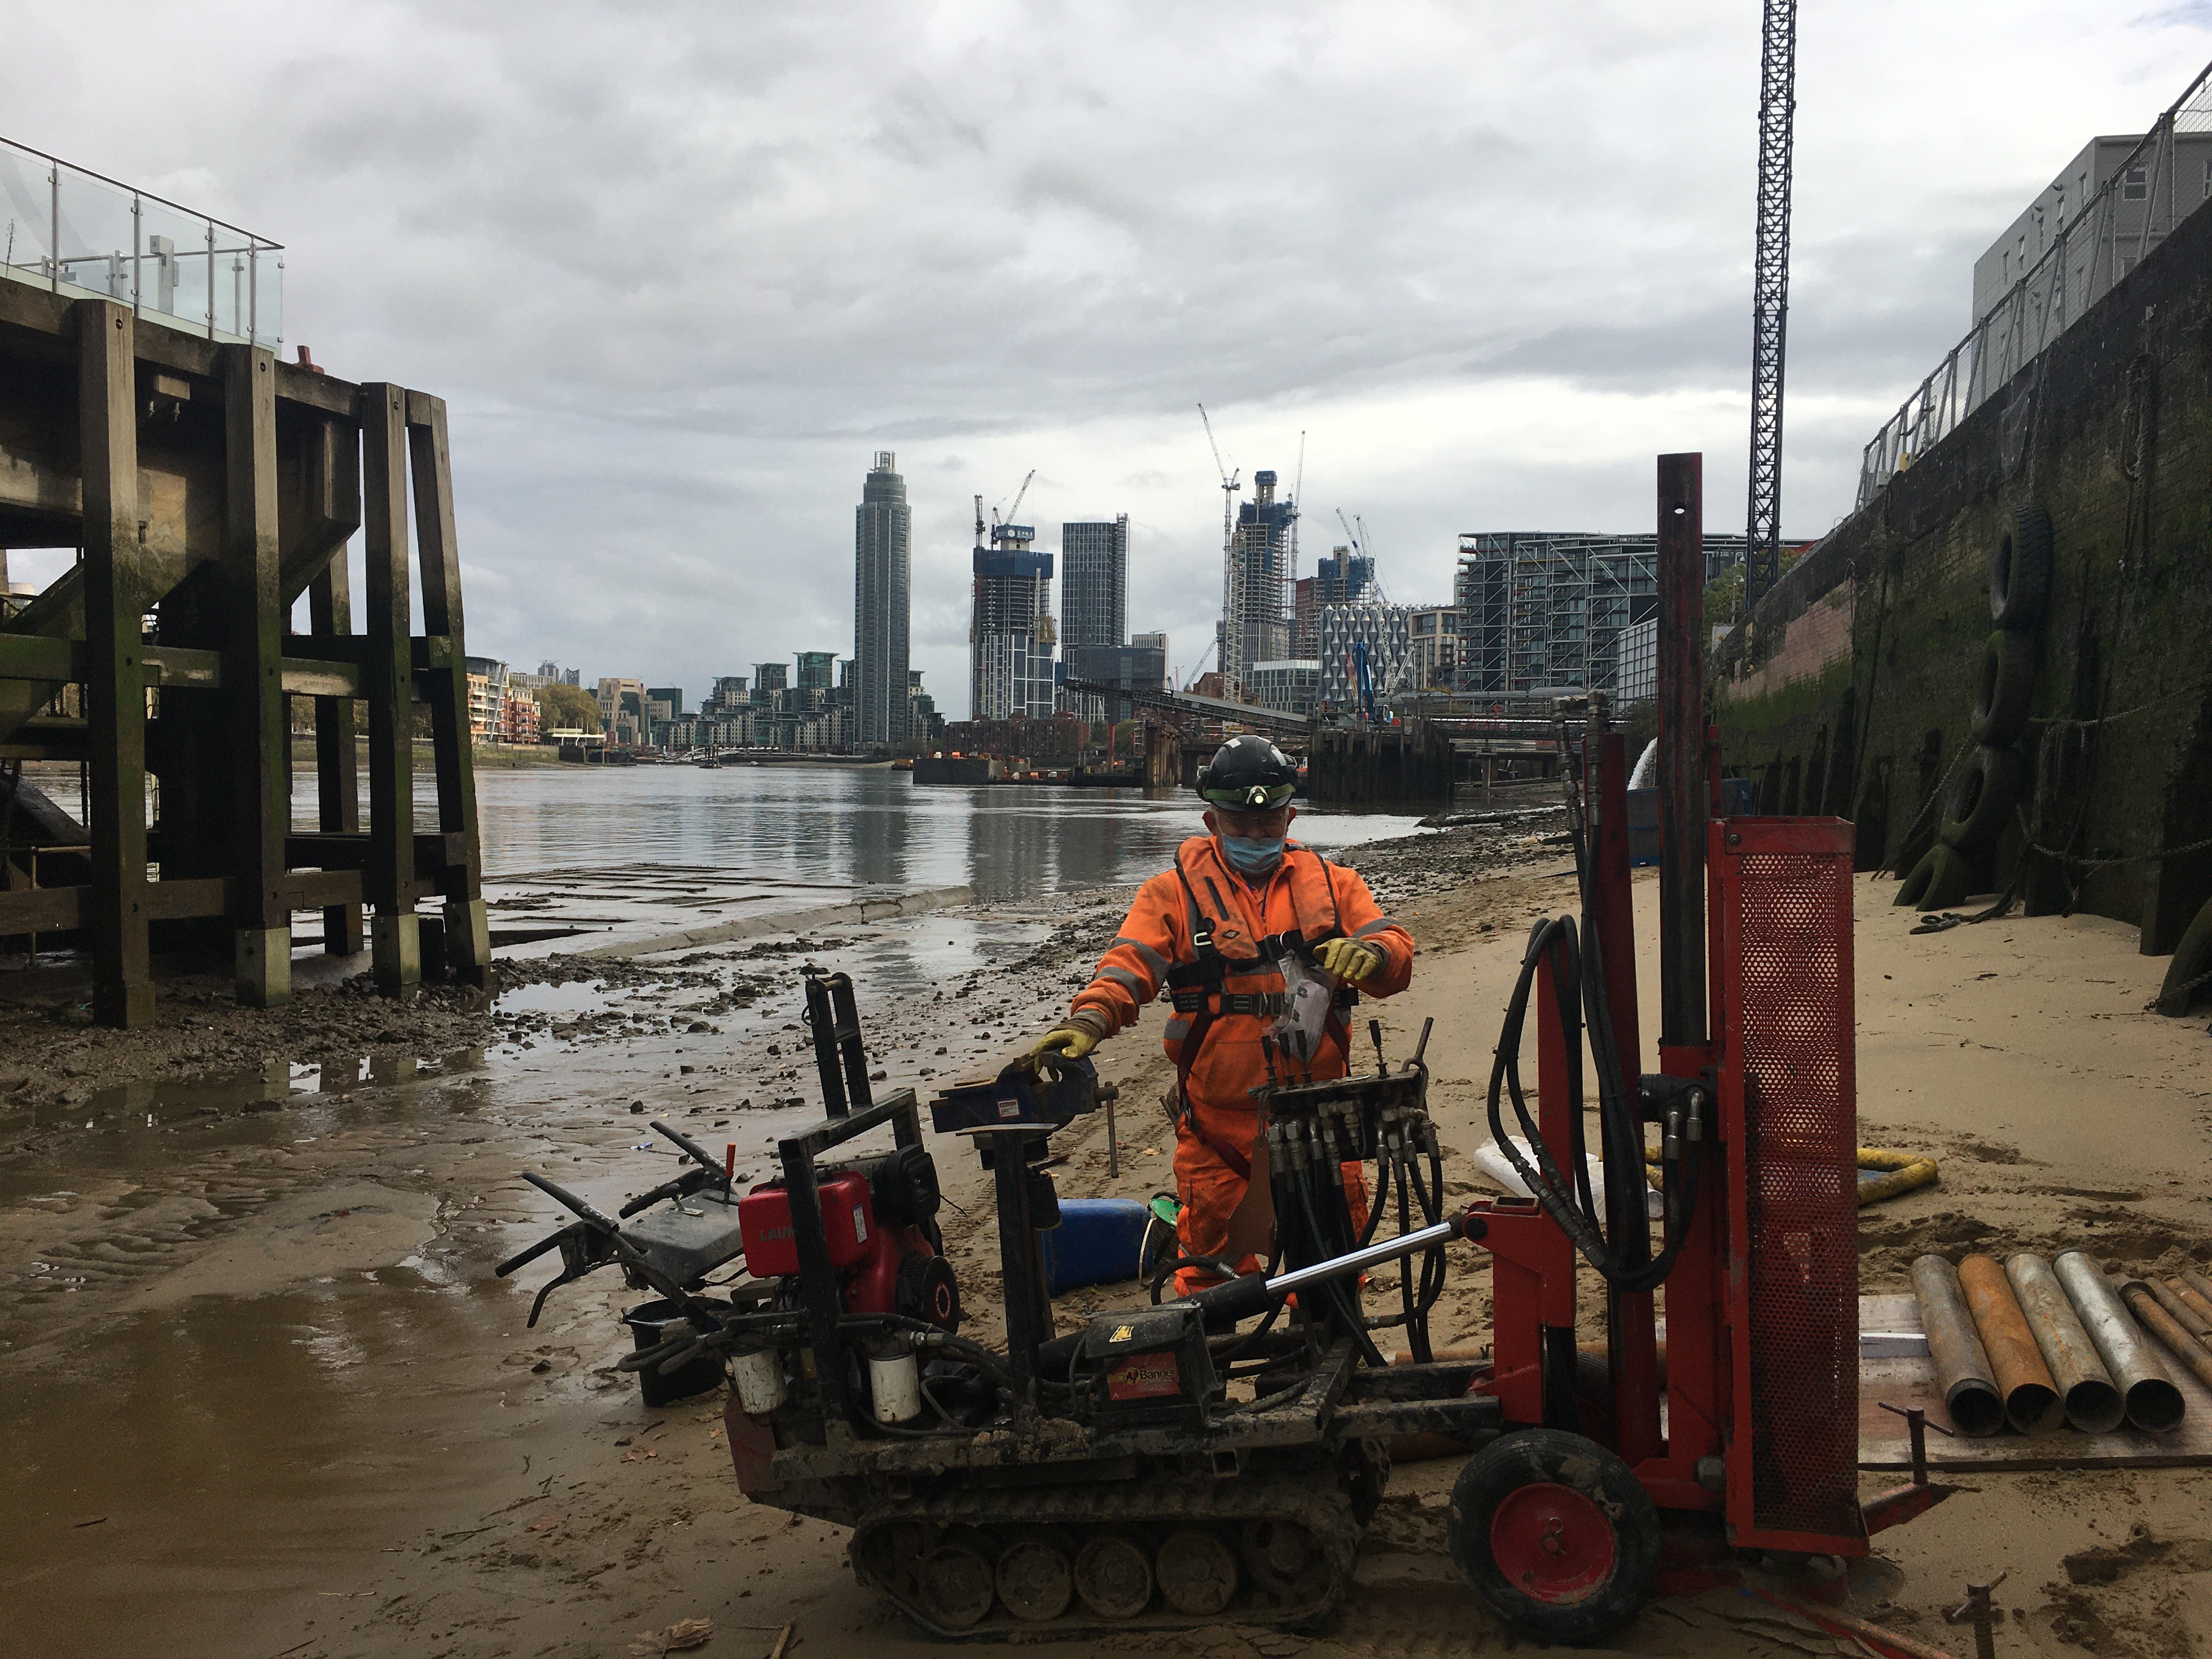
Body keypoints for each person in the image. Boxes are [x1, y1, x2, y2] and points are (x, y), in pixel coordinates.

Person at [1028, 735, 1414, 1293]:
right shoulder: (1172, 895)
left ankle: (1322, 1364)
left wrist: (1375, 956)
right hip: (1218, 1133)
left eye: (1269, 824)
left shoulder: (1336, 885)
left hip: (1321, 1123)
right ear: (1213, 822)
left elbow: (1394, 951)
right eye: (1240, 826)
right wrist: (1090, 1019)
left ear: (1290, 816)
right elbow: (1129, 965)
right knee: (1212, 1289)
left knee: (1331, 1283)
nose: (1256, 836)